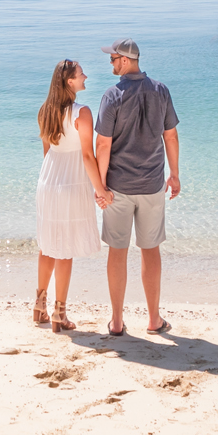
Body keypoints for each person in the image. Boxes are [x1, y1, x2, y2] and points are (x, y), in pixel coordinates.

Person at [92, 38, 180, 337]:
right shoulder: (161, 90)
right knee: (150, 250)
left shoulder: (112, 95)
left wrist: (101, 185)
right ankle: (154, 320)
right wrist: (175, 174)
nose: (111, 63)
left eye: (114, 58)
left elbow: (103, 144)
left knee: (117, 252)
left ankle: (117, 322)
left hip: (118, 187)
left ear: (127, 60)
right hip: (152, 184)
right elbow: (171, 136)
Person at [32, 58, 108, 333]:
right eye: (81, 73)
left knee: (47, 245)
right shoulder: (82, 112)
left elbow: (47, 152)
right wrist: (101, 189)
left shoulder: (45, 111)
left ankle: (39, 306)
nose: (86, 76)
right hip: (72, 183)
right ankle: (59, 313)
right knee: (64, 251)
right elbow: (88, 155)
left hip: (48, 180)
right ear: (69, 82)